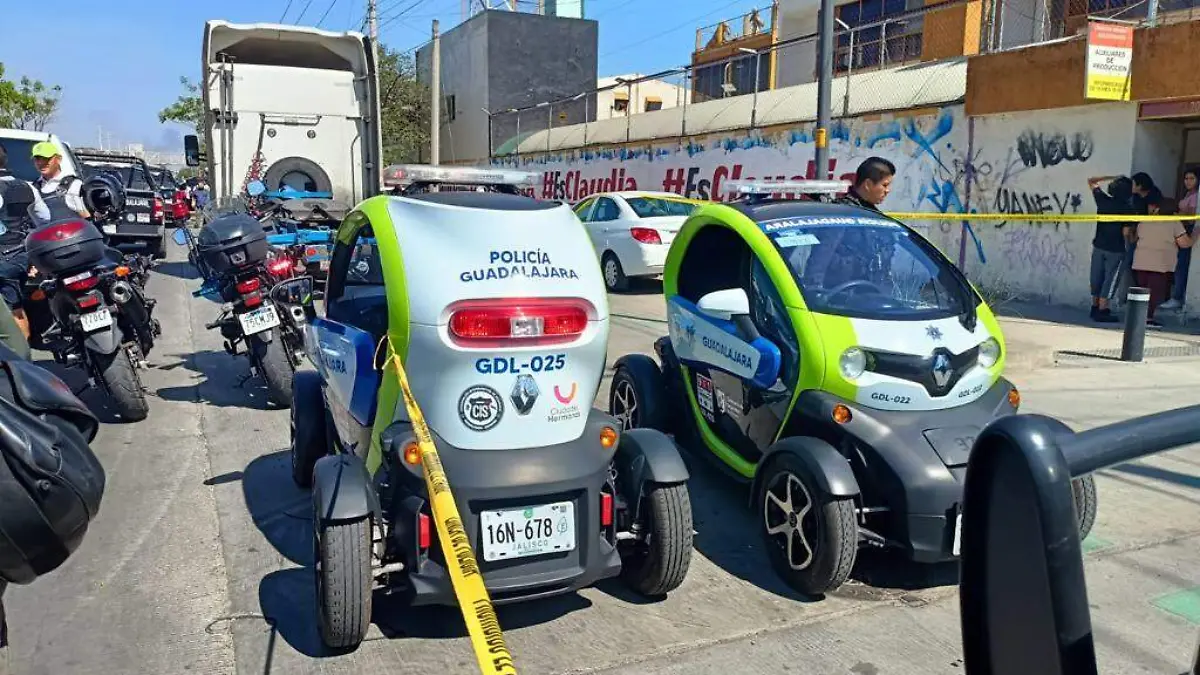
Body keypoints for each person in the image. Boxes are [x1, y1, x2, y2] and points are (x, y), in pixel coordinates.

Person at [0, 145, 50, 341]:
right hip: (17, 257)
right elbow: (44, 219)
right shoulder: (27, 187)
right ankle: (23, 363)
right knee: (15, 310)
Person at [1131, 194, 1192, 327]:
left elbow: (1135, 237)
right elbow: (1185, 243)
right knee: (1153, 294)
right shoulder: (1174, 223)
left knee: (1141, 291)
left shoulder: (1145, 220)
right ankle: (1147, 319)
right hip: (1160, 264)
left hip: (1140, 261)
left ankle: (1137, 318)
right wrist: (1196, 233)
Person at [1086, 175, 1136, 323]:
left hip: (1099, 246)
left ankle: (1094, 307)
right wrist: (1134, 239)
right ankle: (1103, 310)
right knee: (1111, 279)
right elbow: (1126, 233)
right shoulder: (1128, 209)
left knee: (1097, 276)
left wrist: (1112, 176)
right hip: (1116, 249)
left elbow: (1091, 181)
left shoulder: (1103, 200)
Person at [1159, 167, 1197, 311]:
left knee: (1182, 266)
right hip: (1178, 231)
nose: (1188, 181)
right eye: (1186, 179)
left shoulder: (1195, 196)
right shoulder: (1188, 194)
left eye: (1191, 179)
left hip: (1186, 232)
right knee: (1177, 265)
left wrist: (1179, 214)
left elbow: (1192, 217)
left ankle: (1178, 297)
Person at [30, 142, 88, 220]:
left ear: (58, 159)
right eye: (37, 159)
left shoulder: (74, 185)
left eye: (46, 159)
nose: (41, 163)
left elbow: (87, 218)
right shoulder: (34, 187)